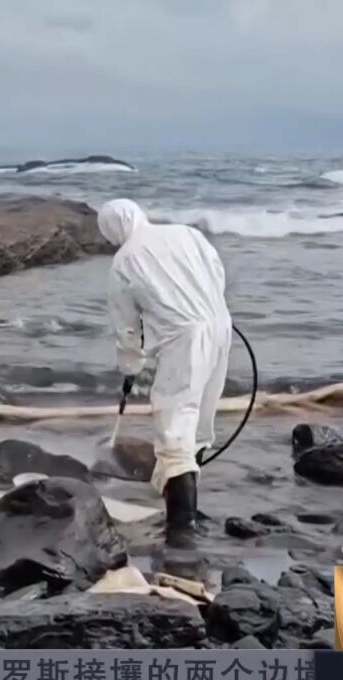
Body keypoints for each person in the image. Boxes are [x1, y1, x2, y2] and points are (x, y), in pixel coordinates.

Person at [99, 198, 232, 547]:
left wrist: (132, 367)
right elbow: (217, 273)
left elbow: (128, 331)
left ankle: (181, 532)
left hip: (184, 340)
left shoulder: (124, 261)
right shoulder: (187, 233)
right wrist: (207, 307)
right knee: (199, 423)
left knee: (174, 430)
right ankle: (188, 508)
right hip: (220, 326)